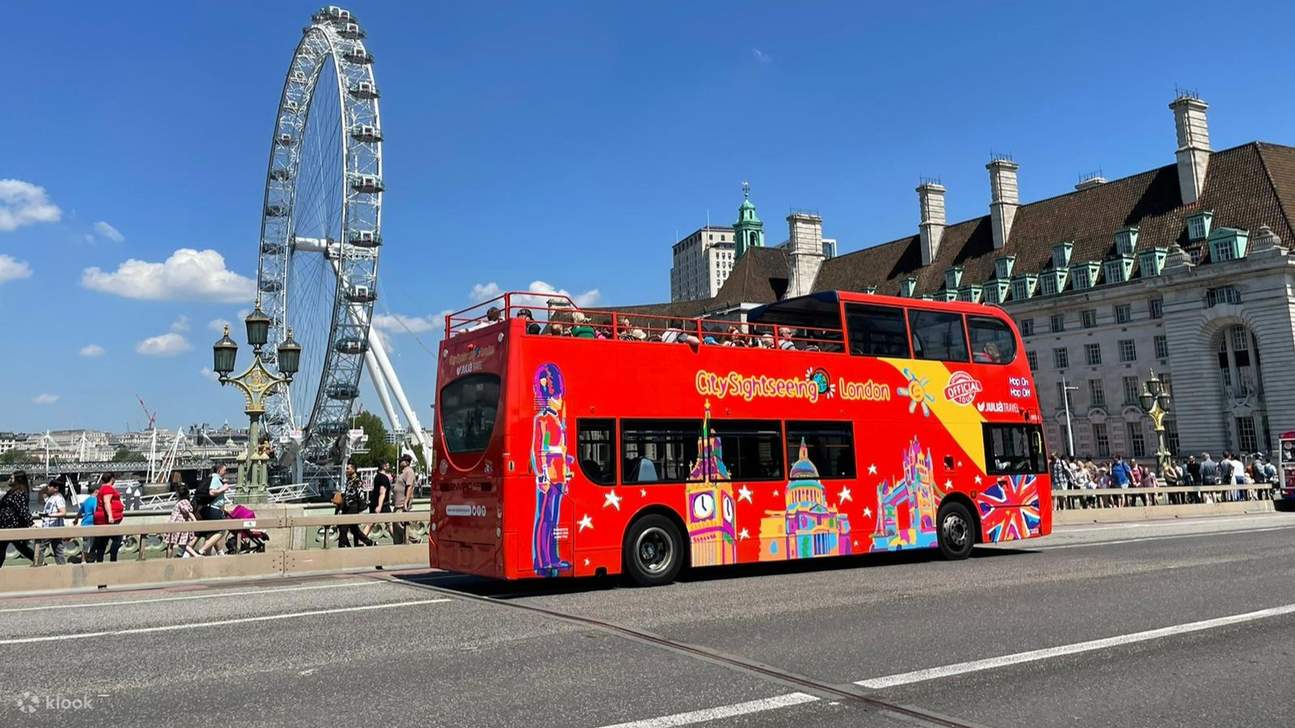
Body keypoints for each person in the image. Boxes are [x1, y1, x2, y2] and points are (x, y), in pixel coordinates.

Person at [0, 471, 37, 568]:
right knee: (20, 547)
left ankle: (39, 561)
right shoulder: (11, 492)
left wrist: (31, 523)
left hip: (12, 526)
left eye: (11, 478)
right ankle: (39, 561)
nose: (9, 480)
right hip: (5, 525)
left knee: (4, 547)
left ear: (18, 480)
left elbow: (23, 509)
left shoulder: (19, 493)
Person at [90, 473, 125, 563]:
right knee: (117, 539)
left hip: (102, 519)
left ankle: (99, 561)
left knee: (102, 542)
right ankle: (113, 559)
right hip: (107, 519)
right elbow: (107, 502)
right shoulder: (107, 488)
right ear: (112, 479)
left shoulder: (102, 488)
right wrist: (110, 516)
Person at [336, 464, 373, 547]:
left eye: (348, 469)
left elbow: (360, 496)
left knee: (343, 528)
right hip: (347, 506)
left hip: (353, 507)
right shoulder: (349, 480)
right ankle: (368, 542)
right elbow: (346, 494)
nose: (346, 470)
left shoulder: (357, 481)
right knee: (354, 529)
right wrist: (341, 507)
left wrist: (360, 509)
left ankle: (342, 546)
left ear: (353, 469)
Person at [198, 465, 231, 555]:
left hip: (211, 508)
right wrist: (223, 488)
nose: (225, 472)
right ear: (219, 470)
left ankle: (208, 556)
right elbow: (211, 492)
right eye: (224, 470)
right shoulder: (215, 478)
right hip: (214, 509)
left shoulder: (213, 478)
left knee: (210, 534)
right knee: (222, 530)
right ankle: (203, 549)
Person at [163, 484, 201, 558]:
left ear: (179, 494)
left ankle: (168, 560)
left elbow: (188, 512)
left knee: (171, 544)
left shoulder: (182, 502)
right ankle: (195, 555)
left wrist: (195, 521)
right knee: (182, 544)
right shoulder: (186, 501)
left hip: (176, 525)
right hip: (179, 525)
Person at [39, 480, 68, 565]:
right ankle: (62, 569)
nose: (48, 487)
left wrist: (48, 515)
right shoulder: (51, 497)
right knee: (58, 550)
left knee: (39, 548)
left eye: (50, 486)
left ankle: (38, 565)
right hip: (51, 527)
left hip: (52, 528)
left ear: (56, 488)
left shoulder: (59, 498)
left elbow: (63, 512)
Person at [392, 454, 417, 545]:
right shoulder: (402, 472)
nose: (399, 462)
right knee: (396, 526)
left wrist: (406, 502)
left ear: (406, 462)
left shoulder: (409, 471)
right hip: (397, 504)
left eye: (401, 460)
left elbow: (409, 487)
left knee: (400, 523)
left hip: (402, 504)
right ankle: (398, 546)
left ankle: (415, 539)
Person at [364, 461, 392, 539]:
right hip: (383, 504)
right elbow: (382, 492)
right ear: (383, 466)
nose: (388, 465)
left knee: (370, 523)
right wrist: (379, 506)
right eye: (387, 463)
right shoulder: (384, 478)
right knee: (390, 523)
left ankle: (361, 540)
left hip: (374, 503)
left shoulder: (377, 476)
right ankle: (400, 542)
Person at [77, 479, 99, 562]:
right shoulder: (95, 500)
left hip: (84, 523)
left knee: (85, 543)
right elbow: (95, 511)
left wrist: (76, 520)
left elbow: (80, 511)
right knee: (91, 543)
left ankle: (84, 559)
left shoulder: (86, 500)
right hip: (91, 524)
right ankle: (87, 559)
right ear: (96, 491)